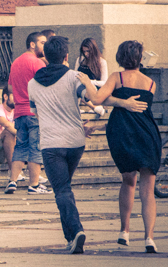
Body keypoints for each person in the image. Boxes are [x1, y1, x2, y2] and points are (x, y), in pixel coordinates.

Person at [84, 41, 160, 253]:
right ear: (140, 58)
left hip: (124, 136)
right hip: (148, 135)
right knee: (148, 191)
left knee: (128, 182)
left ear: (120, 57)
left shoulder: (117, 77)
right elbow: (137, 116)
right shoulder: (150, 83)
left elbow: (98, 98)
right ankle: (149, 238)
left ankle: (124, 232)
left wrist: (86, 82)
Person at [27, 36, 93, 254]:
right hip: (75, 141)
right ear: (66, 56)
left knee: (62, 190)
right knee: (63, 188)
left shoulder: (32, 84)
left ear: (45, 56)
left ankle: (76, 231)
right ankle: (70, 237)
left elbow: (35, 112)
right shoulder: (74, 77)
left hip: (51, 143)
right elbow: (87, 97)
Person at [6, 31, 49, 195]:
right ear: (33, 44)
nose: (45, 46)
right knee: (36, 148)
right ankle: (34, 185)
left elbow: (10, 87)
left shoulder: (16, 62)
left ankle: (12, 181)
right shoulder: (37, 63)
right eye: (42, 43)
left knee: (20, 147)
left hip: (19, 112)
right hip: (34, 113)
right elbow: (44, 86)